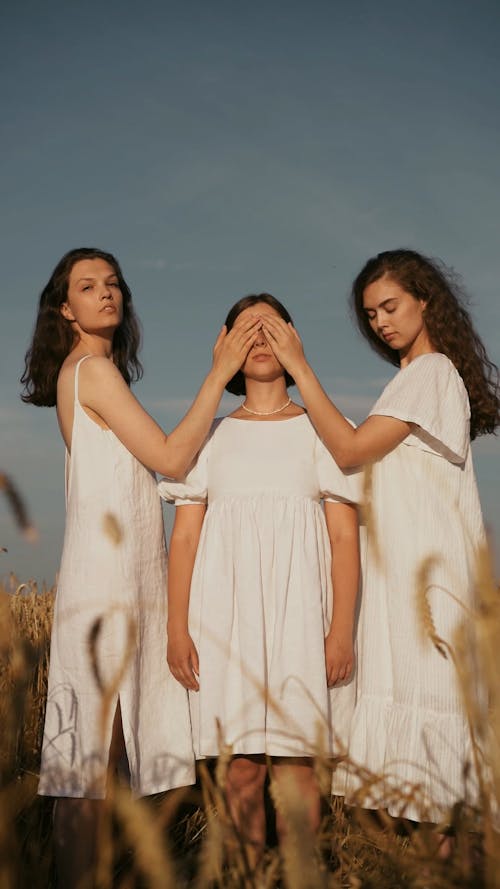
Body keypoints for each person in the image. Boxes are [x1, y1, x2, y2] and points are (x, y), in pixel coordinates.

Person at [21, 247, 262, 886]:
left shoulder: (92, 371)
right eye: (88, 286)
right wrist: (220, 373)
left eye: (114, 284)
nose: (107, 293)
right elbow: (172, 458)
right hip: (105, 582)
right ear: (64, 309)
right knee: (88, 766)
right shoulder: (93, 371)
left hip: (120, 576)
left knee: (100, 758)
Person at [257, 249, 500, 828]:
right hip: (406, 580)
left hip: (431, 583)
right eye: (371, 315)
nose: (382, 323)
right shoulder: (411, 379)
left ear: (425, 300)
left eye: (390, 307)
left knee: (439, 745)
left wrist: (300, 367)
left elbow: (349, 451)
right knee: (428, 767)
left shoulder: (431, 373)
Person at [159, 293, 361, 862]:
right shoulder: (210, 435)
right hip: (226, 618)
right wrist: (177, 627)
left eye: (272, 329)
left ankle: (300, 875)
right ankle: (250, 874)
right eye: (246, 331)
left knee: (298, 765)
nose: (261, 341)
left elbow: (345, 538)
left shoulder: (324, 428)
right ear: (223, 346)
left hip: (301, 616)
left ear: (295, 340)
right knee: (241, 767)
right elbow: (186, 537)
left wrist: (340, 629)